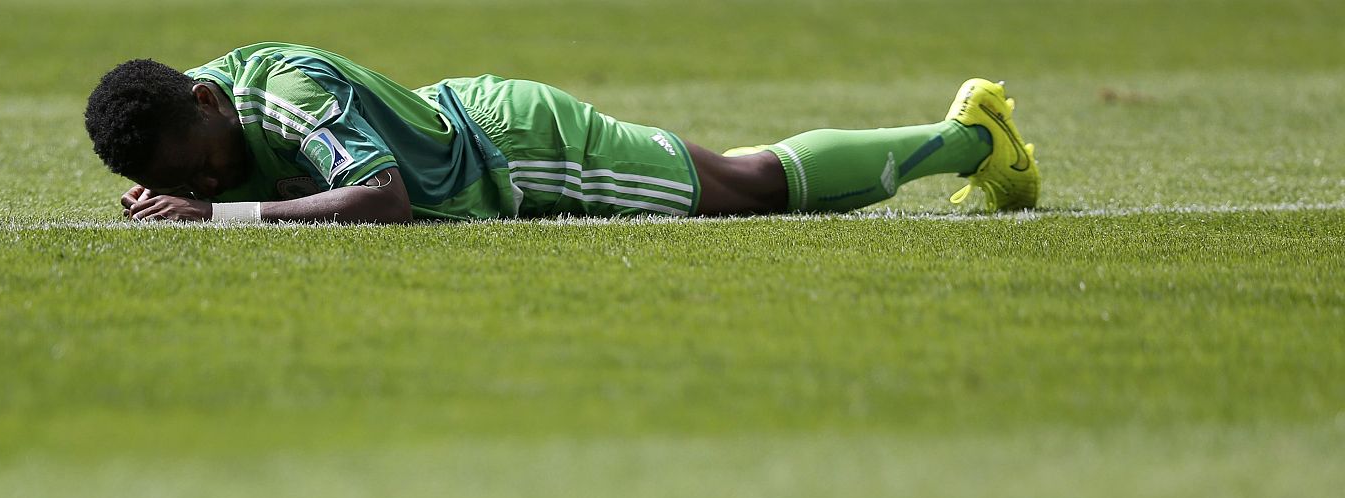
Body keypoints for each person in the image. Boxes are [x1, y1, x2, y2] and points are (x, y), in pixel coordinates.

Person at [83, 43, 1039, 225]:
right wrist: (192, 194)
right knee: (740, 179)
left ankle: (971, 136)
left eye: (199, 169)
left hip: (516, 146)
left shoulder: (281, 97)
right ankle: (967, 137)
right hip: (481, 129)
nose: (204, 185)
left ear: (208, 107)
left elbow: (385, 199)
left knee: (746, 187)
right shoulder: (196, 101)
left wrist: (225, 219)